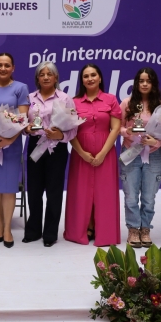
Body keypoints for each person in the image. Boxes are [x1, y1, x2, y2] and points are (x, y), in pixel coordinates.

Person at [65, 64, 122, 246]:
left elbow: (115, 128)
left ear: (100, 78)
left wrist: (103, 153)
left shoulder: (110, 99)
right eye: (86, 76)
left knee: (104, 192)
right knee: (81, 192)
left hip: (106, 153)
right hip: (80, 154)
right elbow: (70, 131)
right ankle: (83, 229)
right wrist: (81, 153)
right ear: (82, 80)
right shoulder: (74, 102)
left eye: (93, 75)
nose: (90, 79)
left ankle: (103, 230)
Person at [23, 62, 76, 247]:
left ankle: (50, 233)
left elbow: (73, 128)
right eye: (42, 74)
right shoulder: (30, 97)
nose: (45, 77)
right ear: (37, 78)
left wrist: (60, 135)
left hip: (56, 148)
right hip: (35, 145)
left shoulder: (65, 98)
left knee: (54, 192)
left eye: (49, 74)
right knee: (34, 191)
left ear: (56, 77)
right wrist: (27, 129)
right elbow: (22, 123)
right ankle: (33, 230)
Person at [0, 53, 30, 248]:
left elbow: (23, 118)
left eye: (7, 65)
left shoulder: (20, 88)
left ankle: (8, 229)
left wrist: (10, 139)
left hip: (11, 144)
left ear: (13, 68)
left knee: (9, 187)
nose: (3, 68)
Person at [119, 68, 161, 248]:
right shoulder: (127, 103)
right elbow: (118, 127)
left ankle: (145, 229)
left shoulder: (160, 106)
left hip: (153, 155)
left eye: (148, 81)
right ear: (136, 83)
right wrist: (127, 132)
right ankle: (133, 228)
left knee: (149, 197)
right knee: (131, 195)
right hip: (131, 153)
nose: (145, 84)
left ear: (153, 84)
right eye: (141, 81)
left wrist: (156, 142)